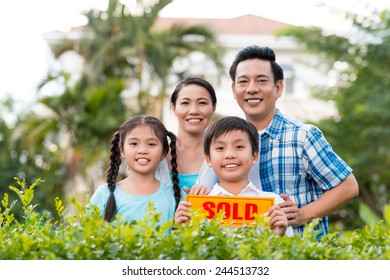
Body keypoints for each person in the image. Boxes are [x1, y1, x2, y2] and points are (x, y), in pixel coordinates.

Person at [197, 45, 359, 239]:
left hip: (298, 254)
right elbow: (204, 201)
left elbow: (348, 186)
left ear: (279, 87)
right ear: (234, 89)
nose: (251, 89)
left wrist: (302, 214)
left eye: (261, 81)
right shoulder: (222, 143)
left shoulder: (302, 136)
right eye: (243, 82)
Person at [175, 116, 292, 237]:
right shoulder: (195, 209)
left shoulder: (274, 205)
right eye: (220, 148)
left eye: (239, 147)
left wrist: (277, 236)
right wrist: (186, 231)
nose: (230, 155)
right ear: (208, 159)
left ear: (254, 156)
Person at [89, 115, 183, 226]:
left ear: (164, 152)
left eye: (151, 144)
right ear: (122, 150)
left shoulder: (176, 196)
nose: (142, 150)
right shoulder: (104, 194)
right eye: (134, 144)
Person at [163, 77, 217, 192]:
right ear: (174, 108)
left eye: (202, 103)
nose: (194, 111)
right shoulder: (158, 154)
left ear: (213, 108)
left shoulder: (224, 156)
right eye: (185, 103)